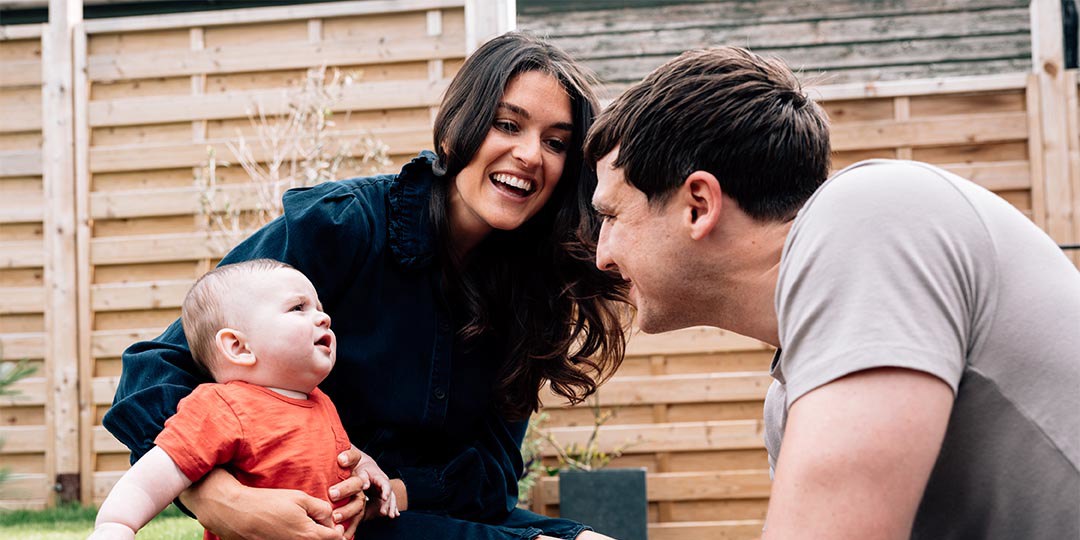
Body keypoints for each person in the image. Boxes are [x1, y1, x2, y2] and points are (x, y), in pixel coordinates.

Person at [103, 32, 628, 540]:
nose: (531, 155)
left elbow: (491, 473)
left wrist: (388, 490)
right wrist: (221, 498)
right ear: (453, 131)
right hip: (311, 515)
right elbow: (158, 369)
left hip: (396, 512)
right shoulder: (341, 226)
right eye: (506, 125)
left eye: (555, 142)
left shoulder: (533, 287)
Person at [584, 46, 1080, 539]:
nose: (601, 255)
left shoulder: (872, 215)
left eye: (610, 216)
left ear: (698, 205)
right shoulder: (789, 403)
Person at [90, 260, 398, 540]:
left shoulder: (319, 402)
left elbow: (326, 449)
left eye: (319, 306)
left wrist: (365, 466)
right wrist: (117, 524)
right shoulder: (223, 407)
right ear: (238, 347)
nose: (324, 318)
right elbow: (154, 474)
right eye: (298, 308)